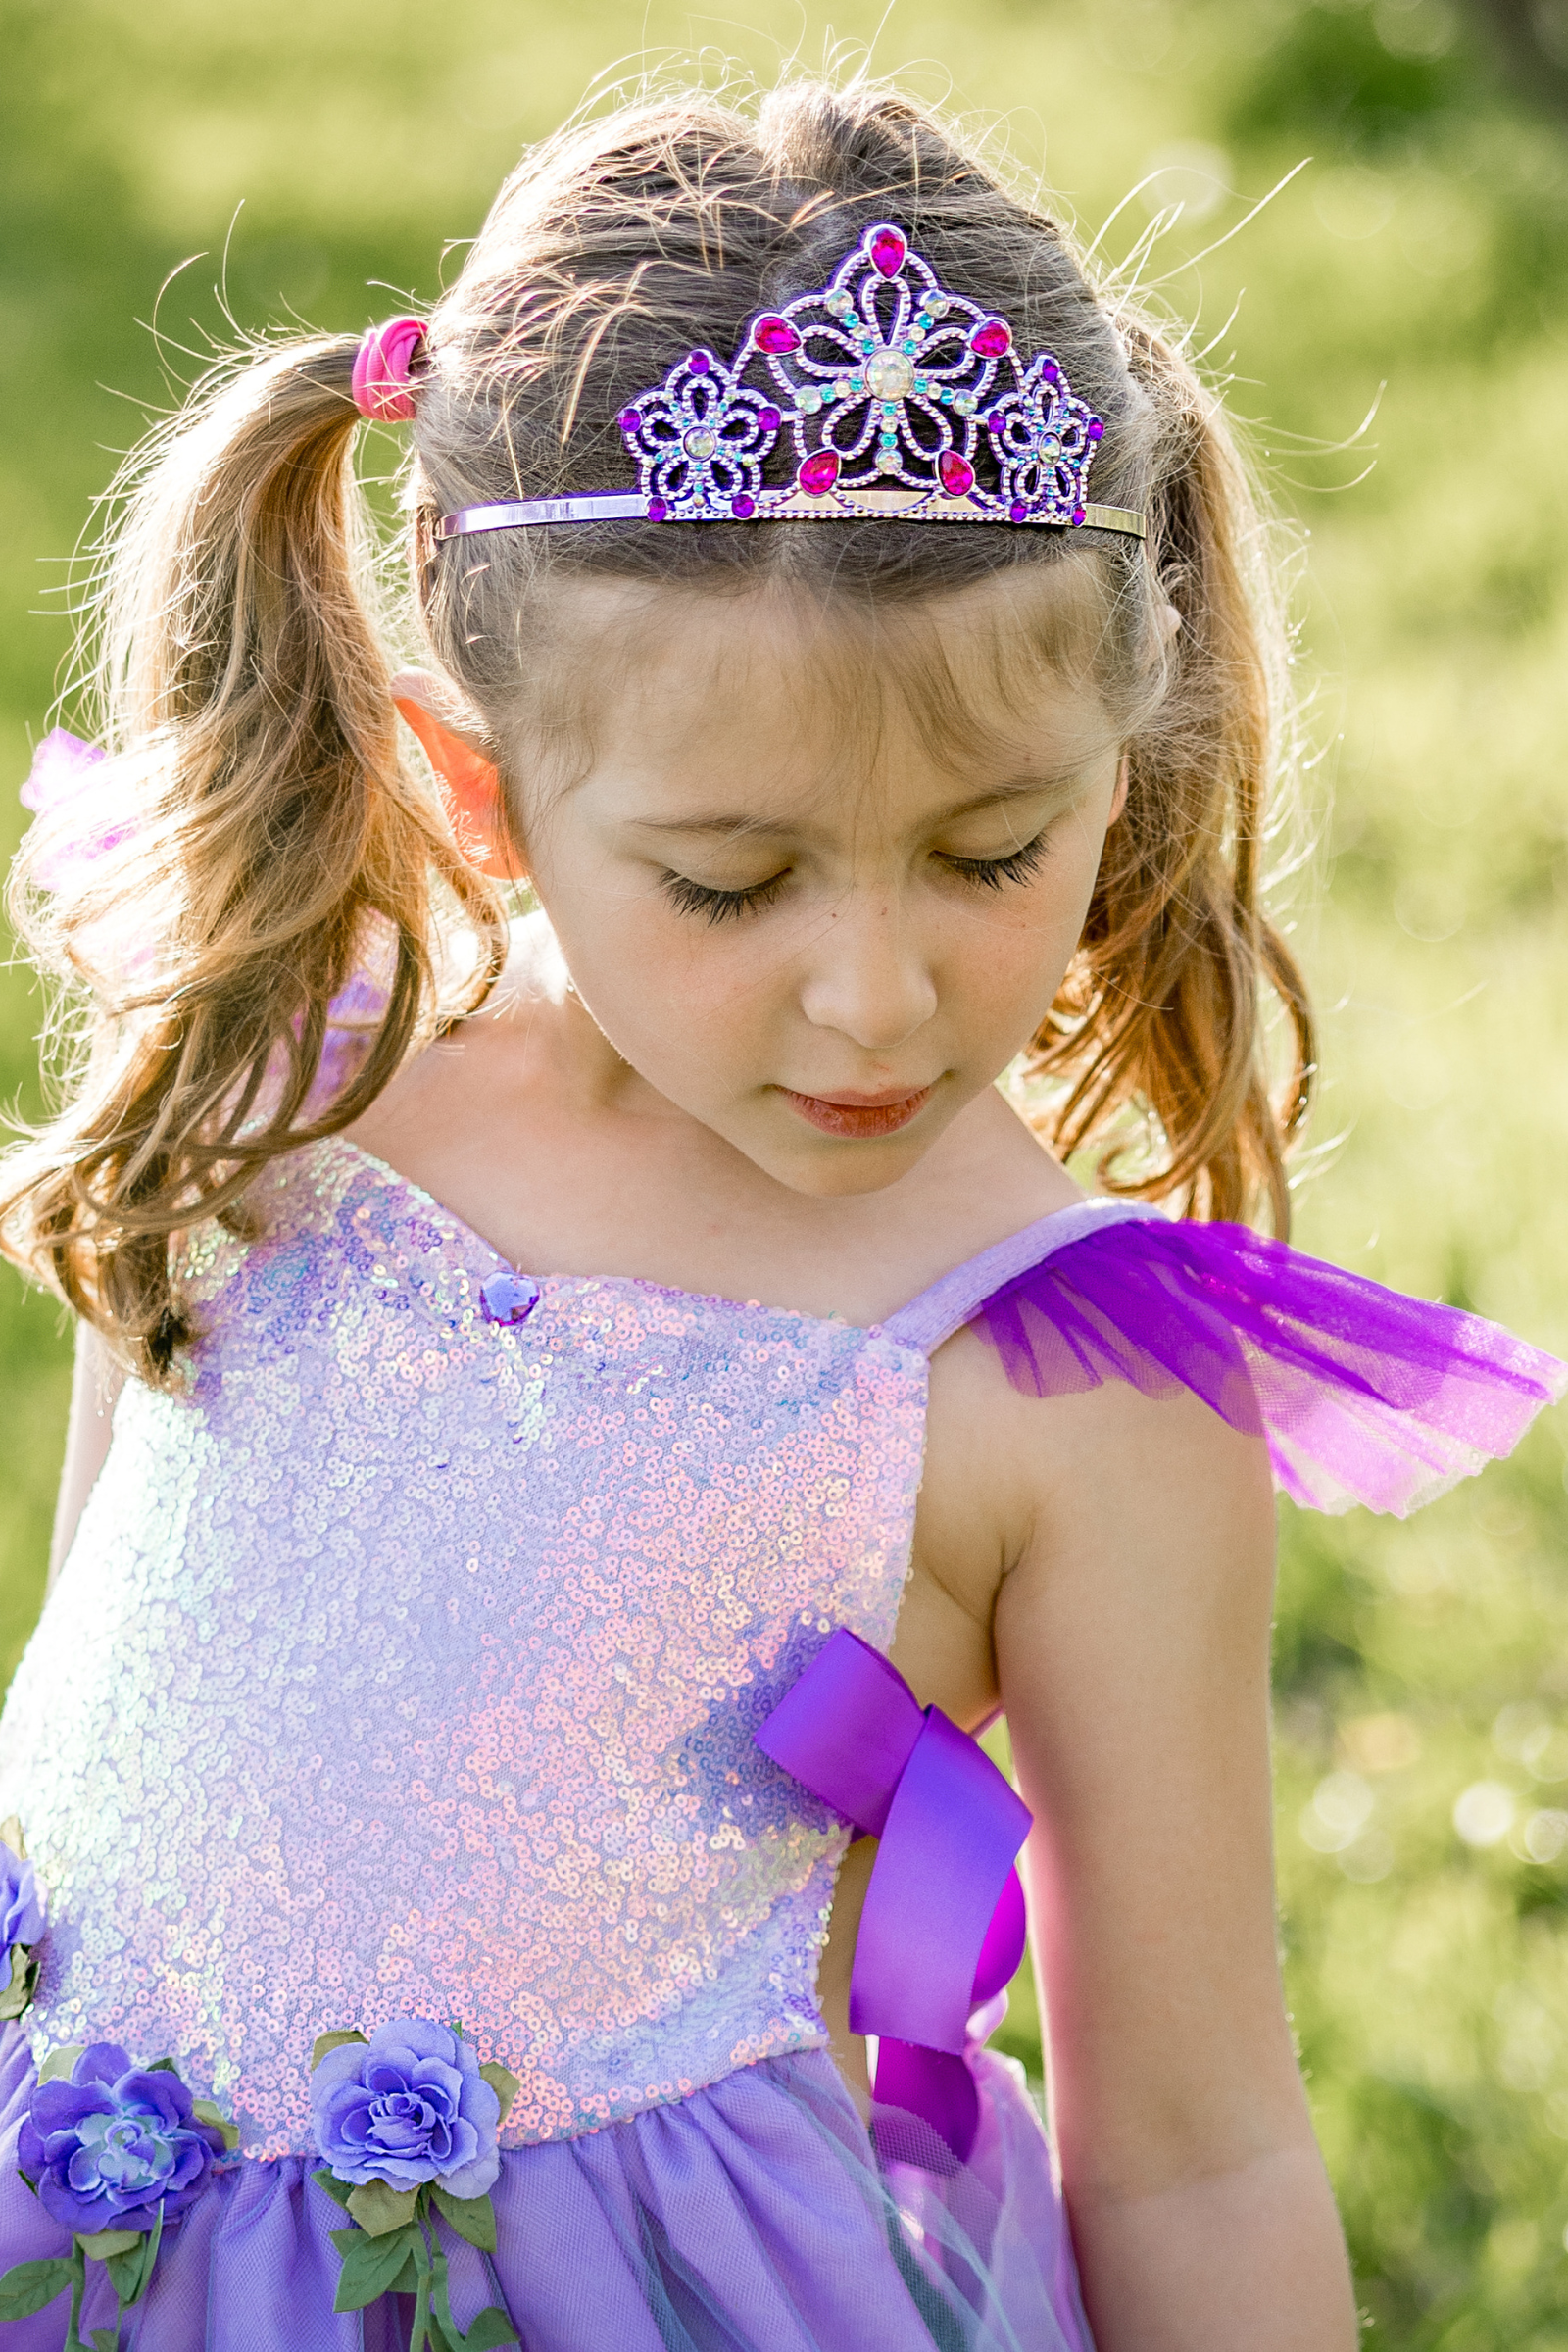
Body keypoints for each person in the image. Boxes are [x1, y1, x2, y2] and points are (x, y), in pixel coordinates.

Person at [0, 74, 1557, 2352]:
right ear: (480, 779)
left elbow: (1197, 2145)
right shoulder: (277, 1086)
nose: (873, 992)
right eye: (729, 880)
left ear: (1123, 741)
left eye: (988, 848)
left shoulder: (1061, 1378)